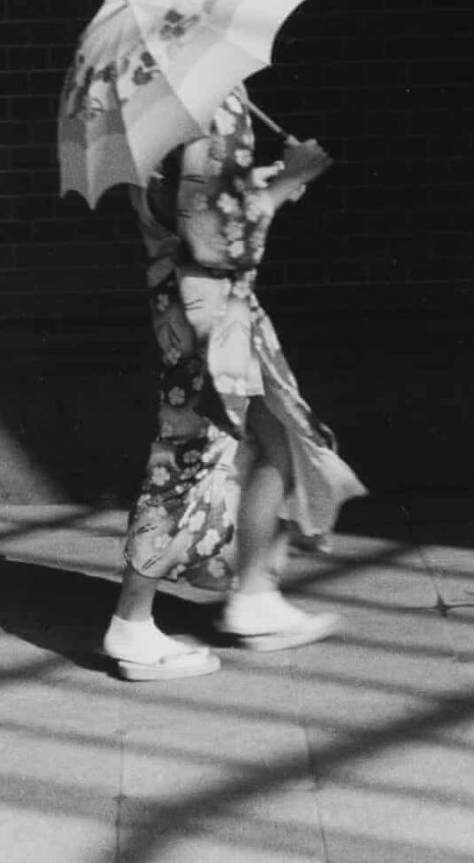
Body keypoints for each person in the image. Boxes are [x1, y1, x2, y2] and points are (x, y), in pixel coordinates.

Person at [101, 87, 368, 681]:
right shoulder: (208, 105)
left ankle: (252, 596)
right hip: (210, 320)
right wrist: (284, 181)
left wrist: (270, 180)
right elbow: (212, 238)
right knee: (185, 460)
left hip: (199, 311)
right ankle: (130, 623)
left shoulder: (161, 101)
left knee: (277, 436)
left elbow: (194, 199)